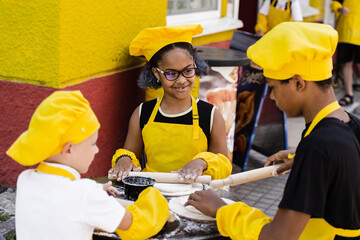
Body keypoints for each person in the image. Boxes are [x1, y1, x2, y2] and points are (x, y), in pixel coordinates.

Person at [185, 22, 360, 239]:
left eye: (273, 87)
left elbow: (279, 236)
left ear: (298, 83)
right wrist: (301, 159)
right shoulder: (350, 124)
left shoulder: (319, 147)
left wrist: (221, 209)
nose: (272, 97)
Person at [6, 91, 168, 240]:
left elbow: (59, 196)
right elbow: (135, 225)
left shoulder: (24, 179)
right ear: (69, 150)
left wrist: (96, 189)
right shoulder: (85, 194)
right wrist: (154, 196)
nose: (96, 150)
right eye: (92, 144)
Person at [108, 24, 232, 182]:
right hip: (151, 194)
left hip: (193, 198)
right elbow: (129, 153)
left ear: (195, 65)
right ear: (156, 74)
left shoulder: (210, 115)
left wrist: (202, 162)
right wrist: (124, 160)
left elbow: (224, 165)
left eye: (188, 71)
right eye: (171, 74)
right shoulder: (142, 113)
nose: (181, 80)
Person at [331, 0, 360, 106]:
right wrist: (339, 8)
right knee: (346, 63)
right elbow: (334, 3)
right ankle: (349, 94)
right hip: (345, 32)